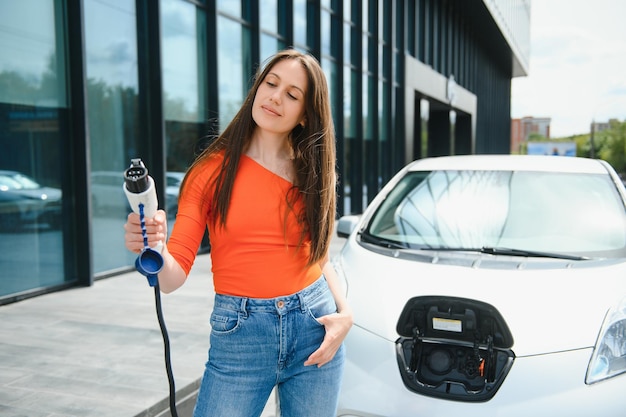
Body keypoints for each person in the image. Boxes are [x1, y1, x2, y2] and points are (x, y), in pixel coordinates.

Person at [124, 49, 353, 417]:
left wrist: (346, 313)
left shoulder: (311, 172)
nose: (276, 97)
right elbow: (171, 278)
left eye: (292, 95)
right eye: (271, 83)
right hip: (241, 337)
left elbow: (320, 256)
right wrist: (155, 249)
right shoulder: (211, 172)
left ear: (305, 115)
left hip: (316, 326)